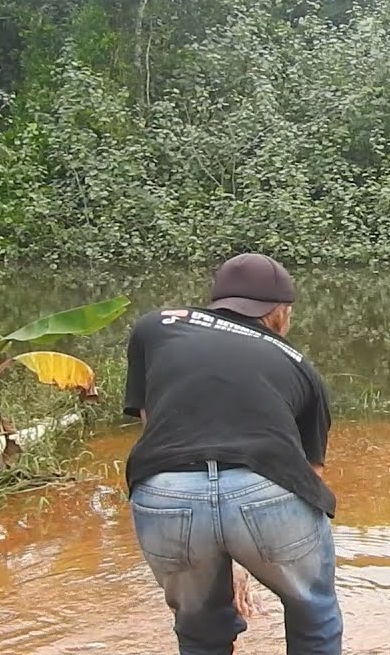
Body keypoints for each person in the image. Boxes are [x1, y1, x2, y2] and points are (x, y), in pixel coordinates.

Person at [121, 252, 342, 655]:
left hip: (165, 487)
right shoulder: (299, 366)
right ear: (281, 312)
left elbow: (156, 430)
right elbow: (309, 476)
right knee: (314, 614)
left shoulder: (155, 327)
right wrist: (247, 551)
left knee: (199, 633)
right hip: (268, 492)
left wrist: (225, 556)